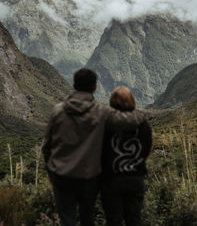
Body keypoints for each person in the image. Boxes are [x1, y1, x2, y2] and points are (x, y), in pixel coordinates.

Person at [42, 68, 145, 226]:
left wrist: (50, 171)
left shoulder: (57, 111)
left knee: (67, 218)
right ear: (95, 87)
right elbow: (129, 120)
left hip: (61, 175)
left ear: (74, 84)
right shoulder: (101, 111)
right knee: (87, 218)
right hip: (88, 177)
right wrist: (141, 114)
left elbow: (47, 146)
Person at [101, 86, 152, 226]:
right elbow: (146, 148)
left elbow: (100, 150)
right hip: (135, 178)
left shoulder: (105, 124)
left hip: (111, 180)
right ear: (132, 101)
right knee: (134, 220)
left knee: (113, 221)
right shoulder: (143, 124)